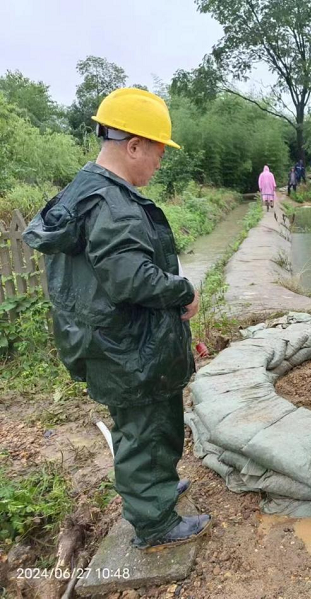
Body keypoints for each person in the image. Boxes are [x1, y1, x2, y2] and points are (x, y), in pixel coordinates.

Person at [22, 88, 211, 551]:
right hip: (129, 348)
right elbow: (132, 278)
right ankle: (154, 523)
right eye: (158, 152)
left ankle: (156, 492)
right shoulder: (113, 204)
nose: (159, 163)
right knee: (144, 432)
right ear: (134, 145)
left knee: (150, 425)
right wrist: (184, 290)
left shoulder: (84, 192)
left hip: (112, 341)